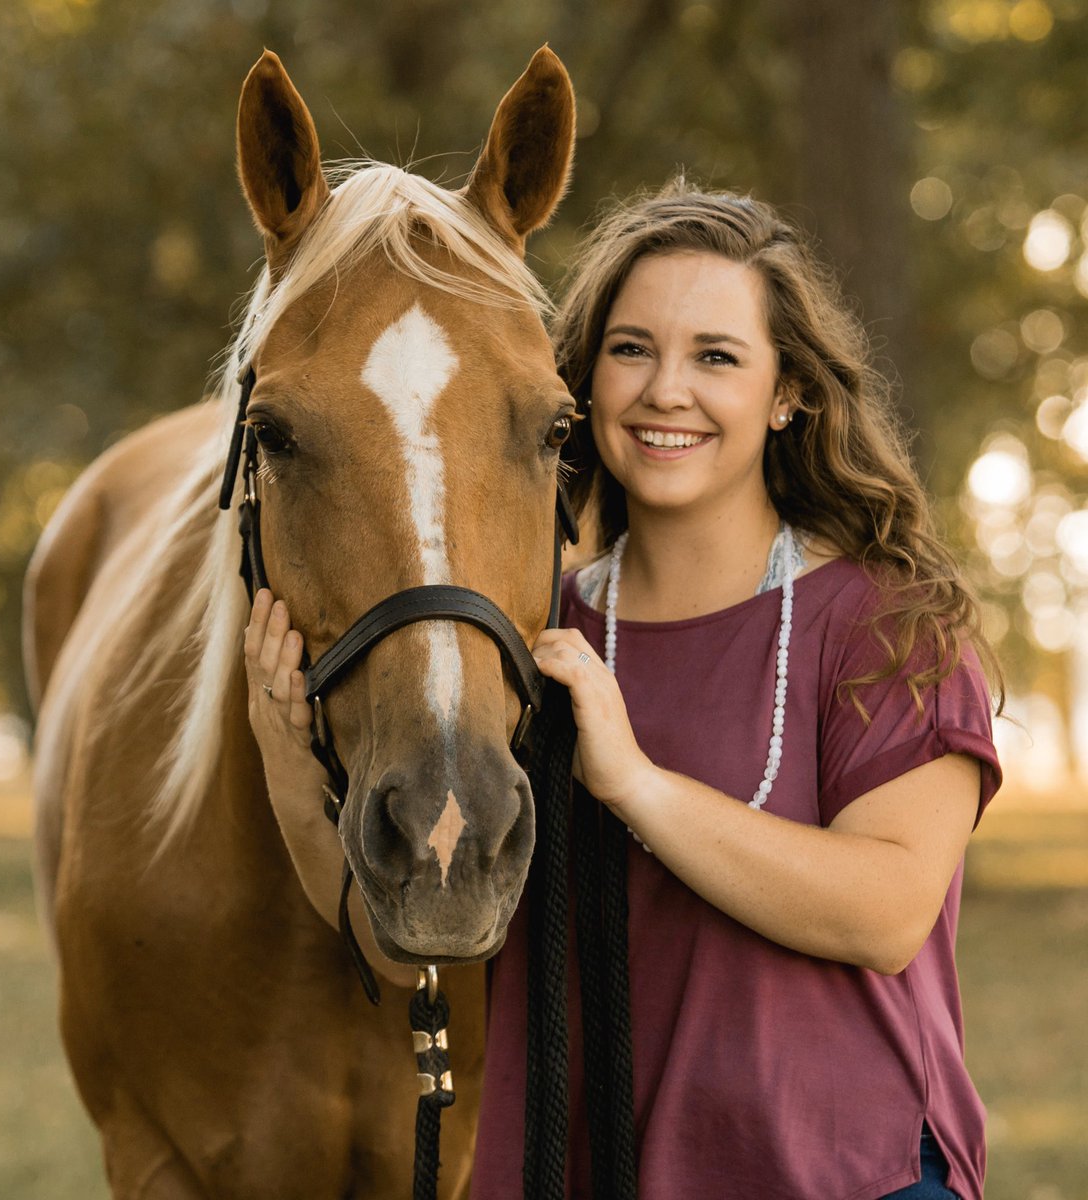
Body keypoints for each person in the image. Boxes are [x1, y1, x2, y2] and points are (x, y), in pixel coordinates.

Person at [244, 181, 1002, 1200]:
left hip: (838, 1176)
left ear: (786, 395)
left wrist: (634, 783)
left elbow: (884, 910)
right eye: (631, 349)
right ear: (584, 382)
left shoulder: (885, 622)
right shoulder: (525, 641)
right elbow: (415, 943)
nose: (664, 391)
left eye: (716, 357)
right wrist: (284, 750)